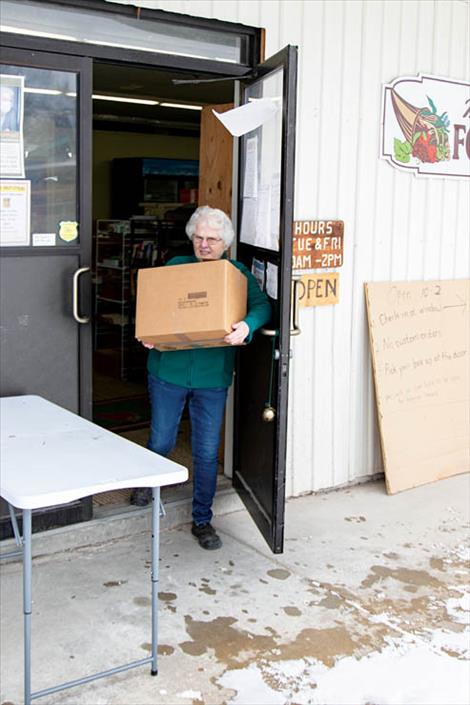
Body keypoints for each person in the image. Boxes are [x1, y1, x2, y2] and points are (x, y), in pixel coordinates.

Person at [132, 205, 271, 550]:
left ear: (225, 243)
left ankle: (202, 520)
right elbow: (155, 306)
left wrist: (247, 326)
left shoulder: (236, 273)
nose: (204, 244)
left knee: (206, 452)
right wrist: (150, 332)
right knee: (162, 439)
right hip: (168, 371)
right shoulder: (177, 267)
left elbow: (262, 306)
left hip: (212, 376)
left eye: (212, 239)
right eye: (199, 237)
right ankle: (148, 485)